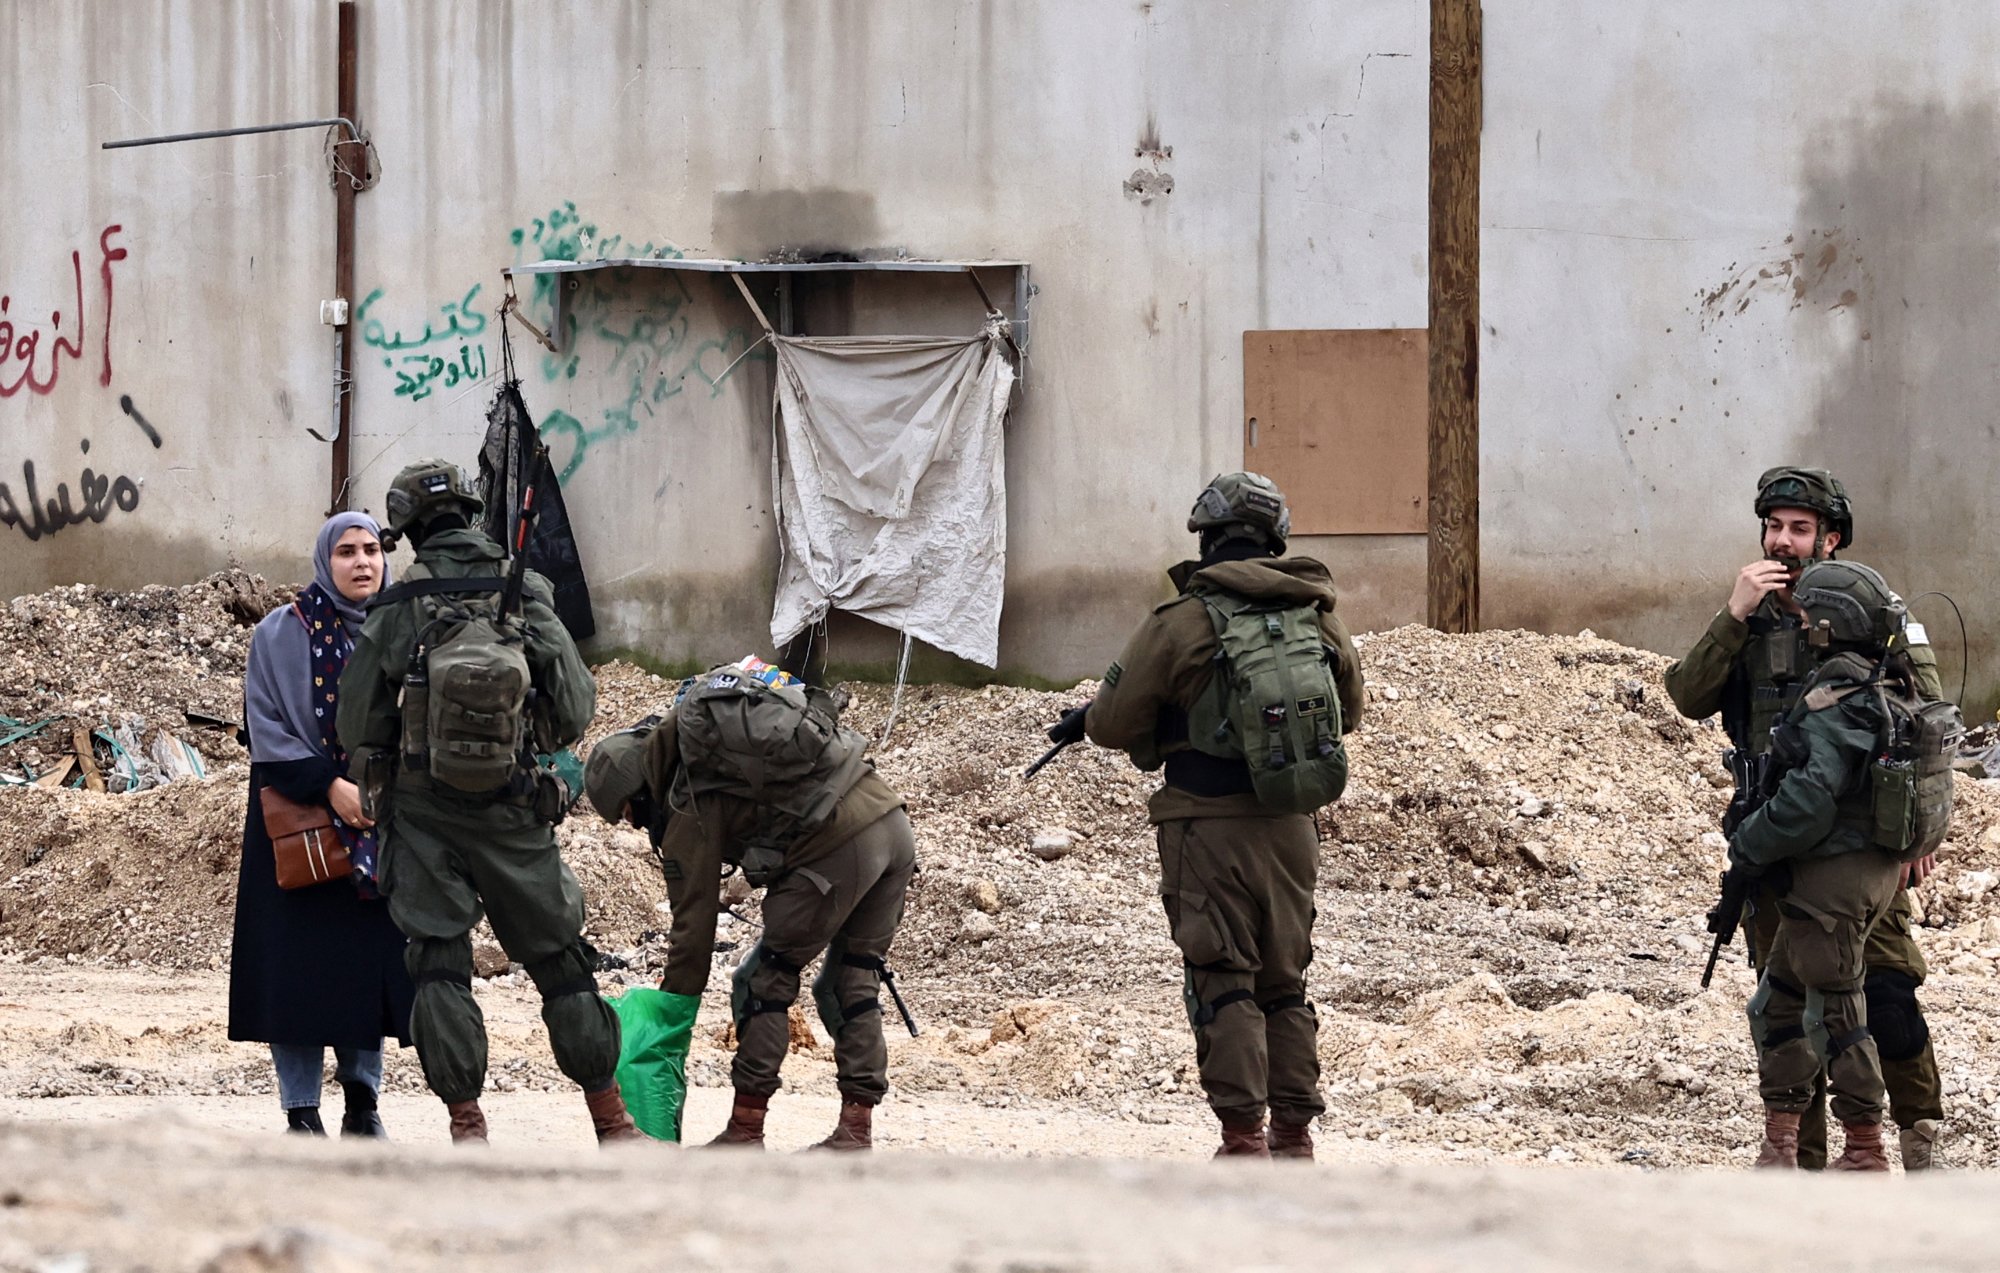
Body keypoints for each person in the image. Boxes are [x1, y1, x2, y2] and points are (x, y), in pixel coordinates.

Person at [1059, 472, 1363, 1159]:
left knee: (1222, 976)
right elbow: (1353, 711)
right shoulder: (1317, 613)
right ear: (1275, 538)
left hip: (1205, 824)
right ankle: (1294, 1135)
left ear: (1207, 535)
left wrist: (1095, 718)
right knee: (1284, 981)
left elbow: (1114, 722)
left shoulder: (1182, 620)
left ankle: (1241, 1139)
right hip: (1291, 825)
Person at [336, 459, 639, 1146]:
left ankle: (468, 1129)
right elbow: (574, 707)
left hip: (421, 817)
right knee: (561, 961)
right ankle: (612, 1122)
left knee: (439, 964)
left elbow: (357, 726)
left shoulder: (396, 601)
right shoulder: (522, 589)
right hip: (515, 811)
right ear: (472, 514)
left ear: (407, 530)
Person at [1664, 468, 1948, 1169]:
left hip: (1857, 842)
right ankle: (1807, 1163)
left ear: (1831, 538)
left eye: (1798, 529)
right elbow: (1687, 695)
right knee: (1787, 1003)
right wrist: (1732, 617)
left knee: (1883, 991)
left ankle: (1919, 1142)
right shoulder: (1749, 618)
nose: (1782, 542)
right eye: (1773, 526)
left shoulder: (1876, 612)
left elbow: (1931, 723)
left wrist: (1919, 832)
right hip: (1779, 833)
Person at [584, 658, 915, 1152]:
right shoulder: (707, 761)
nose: (634, 824)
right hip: (891, 826)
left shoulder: (683, 798)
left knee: (762, 979)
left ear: (635, 789)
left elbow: (692, 930)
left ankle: (745, 1131)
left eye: (628, 813)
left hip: (837, 846)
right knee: (851, 980)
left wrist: (670, 1016)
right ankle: (855, 1131)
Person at [1720, 559, 1941, 1171]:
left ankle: (1864, 1153)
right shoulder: (1878, 680)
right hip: (1860, 875)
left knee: (1841, 1014)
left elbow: (1809, 802)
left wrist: (1749, 843)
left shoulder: (1836, 697)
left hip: (1832, 881)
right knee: (1779, 1002)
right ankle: (1782, 1144)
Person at [230, 511, 414, 1138]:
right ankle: (300, 1111)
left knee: (366, 972)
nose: (363, 563)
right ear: (322, 561)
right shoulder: (278, 635)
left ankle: (363, 1106)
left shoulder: (405, 631)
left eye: (372, 550)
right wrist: (332, 787)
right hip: (300, 822)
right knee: (297, 976)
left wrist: (380, 789)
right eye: (346, 552)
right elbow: (267, 730)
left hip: (381, 823)